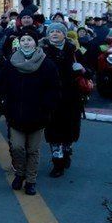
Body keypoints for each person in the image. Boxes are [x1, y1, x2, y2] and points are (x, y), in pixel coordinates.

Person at [0, 28, 60, 196]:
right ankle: (20, 173)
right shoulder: (11, 62)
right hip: (16, 114)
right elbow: (3, 85)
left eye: (29, 40)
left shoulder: (46, 64)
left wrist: (47, 106)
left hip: (37, 115)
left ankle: (31, 180)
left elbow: (54, 88)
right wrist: (3, 103)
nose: (26, 42)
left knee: (33, 150)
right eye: (23, 40)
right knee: (17, 147)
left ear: (35, 42)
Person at [41, 21, 86, 178]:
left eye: (58, 31)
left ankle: (67, 152)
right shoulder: (42, 52)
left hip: (71, 99)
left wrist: (82, 69)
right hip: (52, 98)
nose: (54, 34)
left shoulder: (75, 51)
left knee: (69, 132)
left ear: (64, 35)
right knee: (53, 132)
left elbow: (89, 72)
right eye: (52, 31)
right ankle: (57, 163)